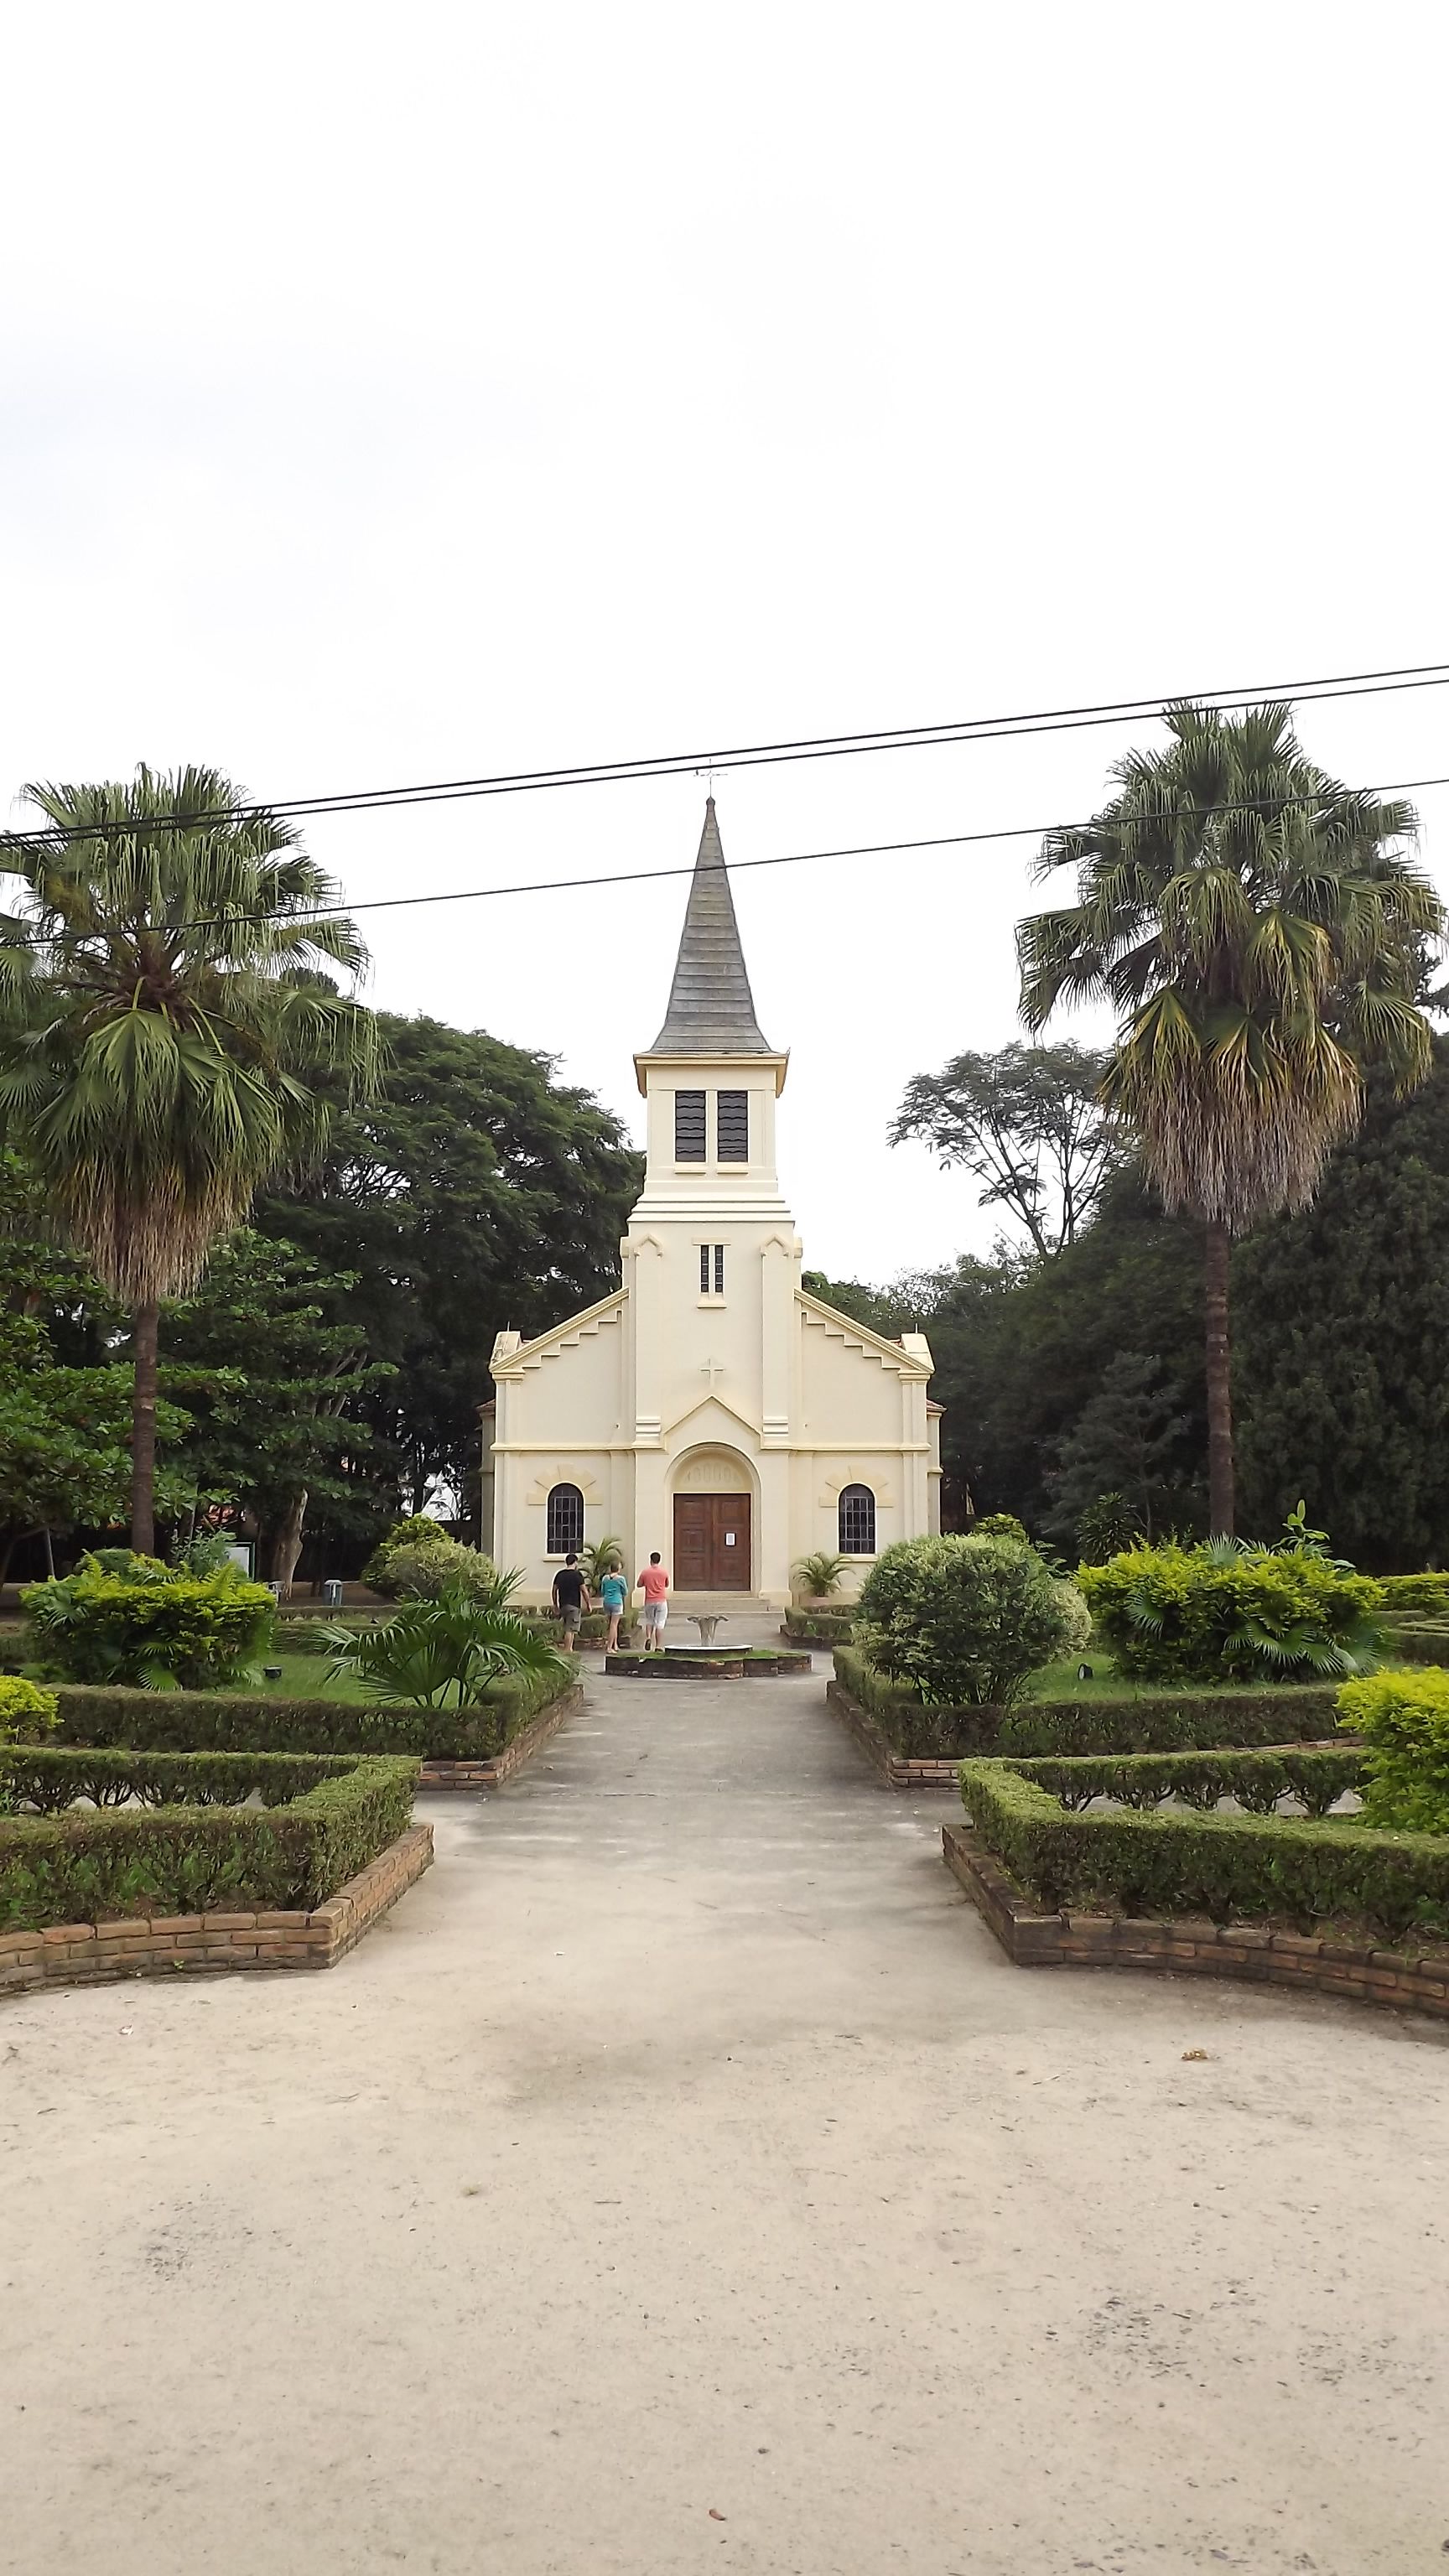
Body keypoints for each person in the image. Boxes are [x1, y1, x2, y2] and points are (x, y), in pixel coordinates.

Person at [551, 1550, 591, 1651]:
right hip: (574, 1605)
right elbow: (584, 1591)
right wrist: (588, 1604)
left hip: (563, 1605)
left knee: (569, 1628)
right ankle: (567, 1650)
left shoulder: (559, 1575)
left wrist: (555, 1604)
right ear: (575, 1562)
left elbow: (554, 1590)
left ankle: (570, 1649)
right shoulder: (577, 1575)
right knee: (570, 1629)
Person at [636, 1550, 669, 1651]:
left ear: (651, 1560)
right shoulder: (664, 1572)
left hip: (649, 1600)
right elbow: (667, 1584)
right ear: (659, 1560)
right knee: (660, 1623)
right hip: (661, 1600)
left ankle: (648, 1638)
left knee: (649, 1621)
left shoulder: (645, 1572)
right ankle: (658, 1646)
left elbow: (639, 1584)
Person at [599, 1559, 629, 1651]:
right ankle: (609, 1647)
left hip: (607, 1602)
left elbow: (602, 1591)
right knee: (614, 1625)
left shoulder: (605, 1578)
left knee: (611, 1625)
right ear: (618, 1569)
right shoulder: (620, 1579)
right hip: (617, 1602)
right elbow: (625, 1591)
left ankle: (615, 1644)